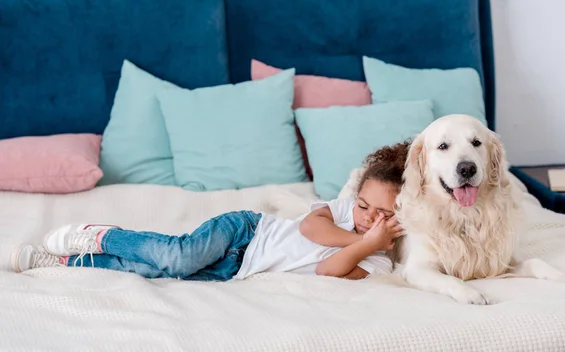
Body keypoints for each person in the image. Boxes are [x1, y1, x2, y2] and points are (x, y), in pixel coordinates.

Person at [10, 142, 409, 281]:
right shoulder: (343, 214)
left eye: (381, 215)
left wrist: (370, 244)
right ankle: (102, 235)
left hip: (239, 268)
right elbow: (309, 228)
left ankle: (66, 262)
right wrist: (362, 237)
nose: (367, 216)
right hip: (247, 232)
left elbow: (328, 270)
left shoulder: (379, 264)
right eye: (363, 206)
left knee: (153, 271)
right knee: (178, 257)